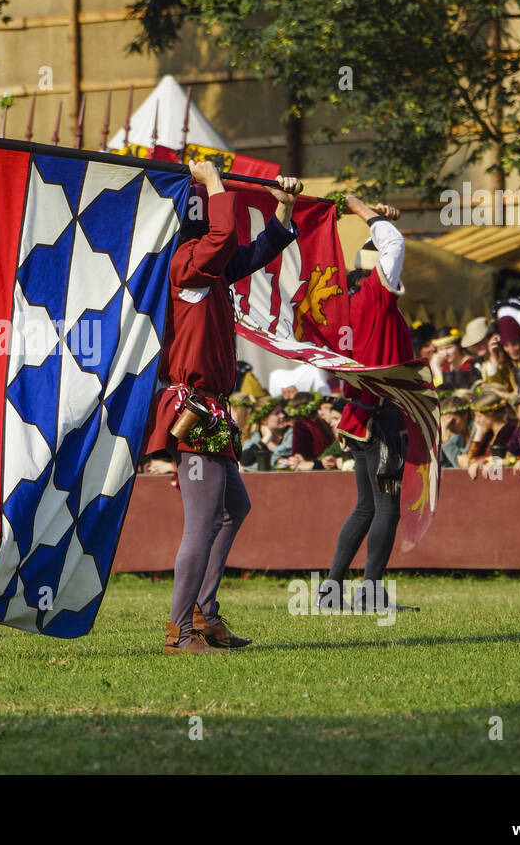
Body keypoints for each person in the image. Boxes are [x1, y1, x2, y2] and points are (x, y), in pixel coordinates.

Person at [146, 163, 301, 653]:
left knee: (234, 507)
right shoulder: (186, 263)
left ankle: (204, 614)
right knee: (203, 521)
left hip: (212, 409)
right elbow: (227, 232)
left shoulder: (207, 266)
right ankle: (179, 632)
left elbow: (257, 248)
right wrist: (215, 182)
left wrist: (286, 206)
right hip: (192, 408)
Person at [321, 195, 412, 612]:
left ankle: (330, 592)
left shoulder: (344, 306)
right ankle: (371, 594)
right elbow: (393, 244)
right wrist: (359, 205)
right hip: (382, 418)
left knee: (365, 506)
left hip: (357, 418)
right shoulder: (377, 295)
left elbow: (387, 241)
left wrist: (379, 218)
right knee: (387, 508)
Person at [463, 392, 516, 478]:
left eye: (479, 416)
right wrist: (479, 434)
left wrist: (481, 461)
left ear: (492, 415)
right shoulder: (488, 433)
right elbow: (469, 462)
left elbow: (502, 458)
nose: (476, 420)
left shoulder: (510, 431)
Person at [439, 394, 471, 468]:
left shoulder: (476, 433)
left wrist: (444, 436)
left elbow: (461, 465)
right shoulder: (457, 437)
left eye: (452, 421)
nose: (449, 426)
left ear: (465, 415)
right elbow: (443, 464)